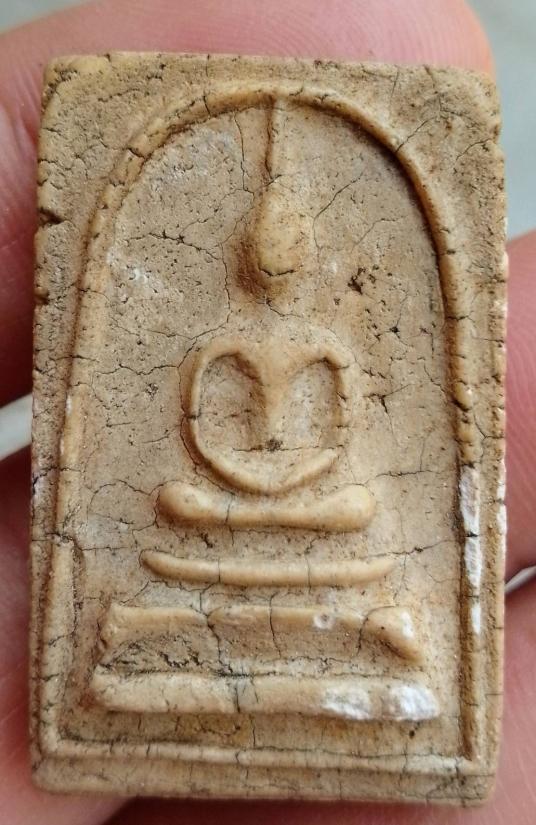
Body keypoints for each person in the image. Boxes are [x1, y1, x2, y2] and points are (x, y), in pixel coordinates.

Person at [0, 1, 534, 822]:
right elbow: (200, 432)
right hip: (217, 509)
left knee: (356, 507)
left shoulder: (327, 346)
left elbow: (337, 434)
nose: (278, 261)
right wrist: (239, 470)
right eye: (266, 250)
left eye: (289, 250)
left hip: (312, 511)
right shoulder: (218, 346)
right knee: (180, 502)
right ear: (247, 258)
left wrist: (289, 470)